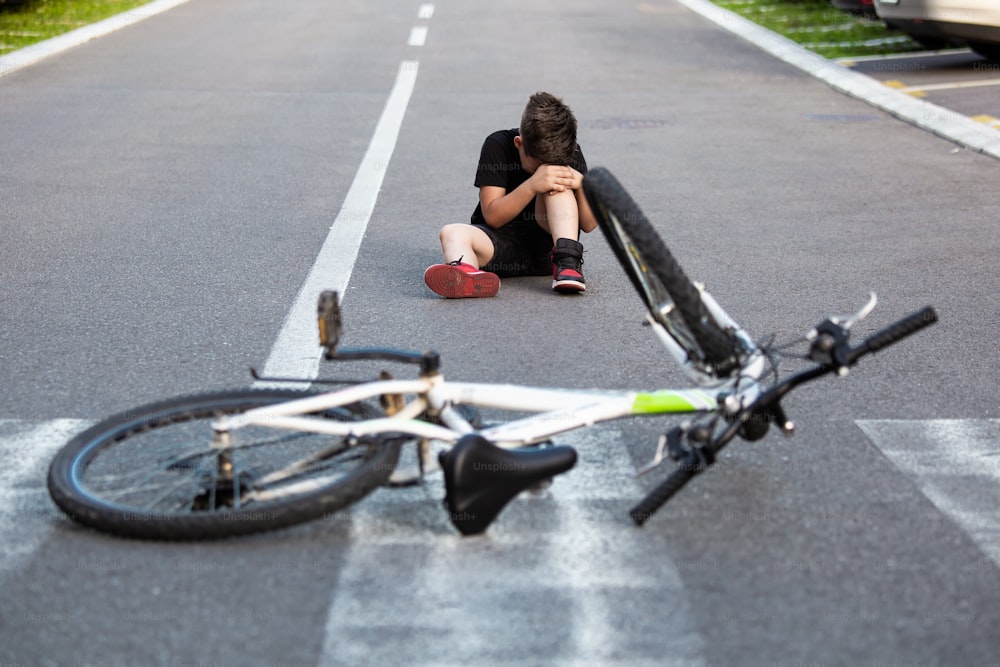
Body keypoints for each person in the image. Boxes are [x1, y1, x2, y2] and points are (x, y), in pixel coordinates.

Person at [424, 92, 598, 298]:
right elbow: (492, 217)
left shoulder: (568, 151)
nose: (545, 170)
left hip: (549, 251)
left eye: (551, 164)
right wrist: (533, 185)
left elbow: (588, 224)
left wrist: (581, 185)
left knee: (557, 187)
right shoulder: (498, 145)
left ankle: (568, 264)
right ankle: (466, 275)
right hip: (500, 247)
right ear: (519, 143)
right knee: (451, 232)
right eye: (538, 165)